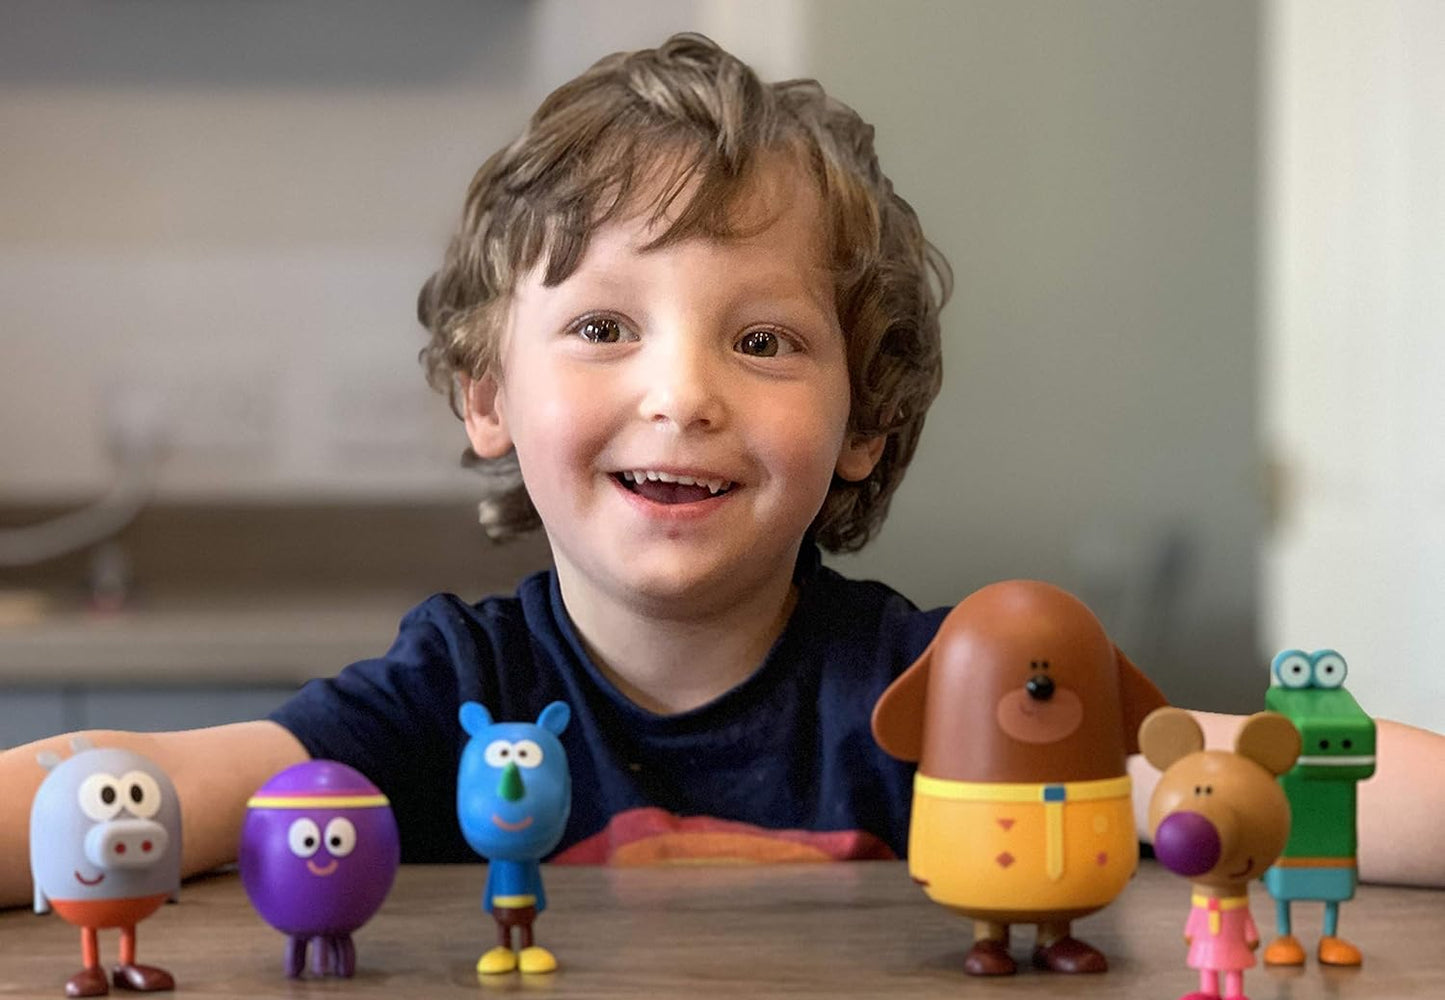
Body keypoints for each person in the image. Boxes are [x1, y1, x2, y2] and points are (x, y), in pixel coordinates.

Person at [2, 34, 1440, 910]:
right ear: (488, 393)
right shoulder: (447, 695)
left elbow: (1278, 777)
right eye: (604, 328)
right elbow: (132, 789)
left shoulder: (950, 692)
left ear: (864, 422)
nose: (680, 393)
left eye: (760, 339)